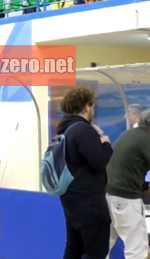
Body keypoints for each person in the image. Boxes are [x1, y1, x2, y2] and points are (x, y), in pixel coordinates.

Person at [56, 87, 113, 259]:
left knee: (73, 248)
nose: (93, 110)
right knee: (96, 252)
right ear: (86, 107)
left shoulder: (64, 130)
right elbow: (98, 162)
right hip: (90, 203)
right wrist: (106, 145)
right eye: (92, 106)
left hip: (71, 200)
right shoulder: (82, 129)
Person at [106, 106, 150, 259]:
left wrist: (144, 185)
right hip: (126, 199)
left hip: (109, 195)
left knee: (104, 246)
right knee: (136, 250)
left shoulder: (129, 135)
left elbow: (125, 167)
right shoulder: (149, 141)